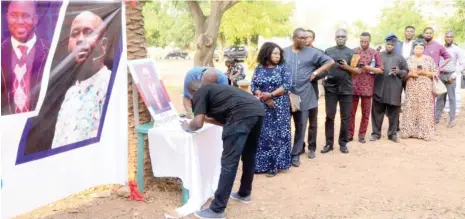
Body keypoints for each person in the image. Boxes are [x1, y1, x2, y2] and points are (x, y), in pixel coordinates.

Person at [182, 81, 264, 219]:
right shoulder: (219, 91)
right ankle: (244, 193)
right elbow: (226, 122)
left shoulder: (201, 91)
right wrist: (208, 120)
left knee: (229, 163)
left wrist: (186, 125)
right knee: (249, 156)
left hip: (241, 114)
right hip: (257, 110)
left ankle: (217, 209)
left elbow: (197, 124)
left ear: (193, 93)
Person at [51, 11, 112, 148]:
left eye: (88, 33)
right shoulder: (70, 93)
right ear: (68, 46)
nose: (79, 39)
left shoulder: (111, 87)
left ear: (103, 44)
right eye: (74, 34)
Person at [284, 28, 334, 165]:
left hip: (304, 94)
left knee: (301, 125)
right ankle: (284, 153)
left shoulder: (312, 52)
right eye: (301, 38)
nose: (304, 40)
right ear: (293, 37)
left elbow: (330, 61)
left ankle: (295, 154)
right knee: (284, 126)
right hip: (285, 94)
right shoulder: (284, 52)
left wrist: (316, 72)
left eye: (306, 38)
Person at [1, 1, 50, 115]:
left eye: (26, 16)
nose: (19, 22)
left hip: (37, 127)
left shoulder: (51, 50)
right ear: (7, 18)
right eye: (13, 15)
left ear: (36, 20)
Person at [251, 42, 291, 177]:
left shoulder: (283, 68)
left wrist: (272, 95)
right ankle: (261, 165)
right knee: (263, 135)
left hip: (279, 108)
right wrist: (264, 97)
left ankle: (275, 166)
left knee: (278, 135)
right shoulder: (259, 68)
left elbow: (287, 85)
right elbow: (253, 86)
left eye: (279, 54)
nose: (277, 56)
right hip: (263, 106)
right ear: (266, 54)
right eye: (274, 53)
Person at [321, 28, 361, 154]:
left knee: (345, 117)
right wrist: (323, 78)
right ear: (335, 37)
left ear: (346, 38)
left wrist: (347, 66)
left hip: (346, 88)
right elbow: (323, 67)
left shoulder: (352, 52)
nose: (340, 38)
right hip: (331, 88)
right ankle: (329, 144)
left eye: (343, 37)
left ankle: (343, 143)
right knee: (330, 116)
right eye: (338, 36)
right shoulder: (328, 51)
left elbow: (358, 71)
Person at [371, 34, 408, 143]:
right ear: (385, 44)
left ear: (395, 45)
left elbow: (406, 71)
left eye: (392, 44)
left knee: (393, 113)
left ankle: (392, 134)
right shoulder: (378, 55)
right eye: (388, 44)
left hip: (394, 89)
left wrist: (399, 72)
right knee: (377, 112)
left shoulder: (400, 57)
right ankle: (376, 134)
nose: (390, 46)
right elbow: (372, 68)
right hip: (379, 87)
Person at [349, 32, 384, 143]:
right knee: (351, 113)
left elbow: (381, 69)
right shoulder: (353, 51)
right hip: (354, 86)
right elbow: (348, 67)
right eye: (361, 41)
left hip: (368, 87)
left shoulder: (374, 53)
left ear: (369, 41)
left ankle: (362, 135)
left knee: (366, 113)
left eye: (366, 41)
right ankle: (350, 134)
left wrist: (370, 68)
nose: (363, 43)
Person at [400, 40, 437, 141]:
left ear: (424, 49)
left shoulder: (429, 59)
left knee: (424, 109)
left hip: (425, 88)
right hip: (412, 88)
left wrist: (424, 72)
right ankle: (409, 131)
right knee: (411, 108)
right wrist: (411, 74)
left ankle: (425, 132)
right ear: (413, 48)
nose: (419, 50)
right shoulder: (408, 60)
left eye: (421, 48)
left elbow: (435, 74)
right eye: (417, 48)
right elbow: (403, 75)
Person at [436, 31, 465, 127]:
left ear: (453, 38)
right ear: (444, 37)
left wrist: (453, 76)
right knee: (439, 98)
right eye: (447, 36)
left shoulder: (457, 50)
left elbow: (462, 64)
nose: (449, 38)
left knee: (451, 98)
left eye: (450, 37)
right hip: (440, 75)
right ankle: (436, 118)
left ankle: (452, 119)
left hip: (450, 76)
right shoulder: (440, 48)